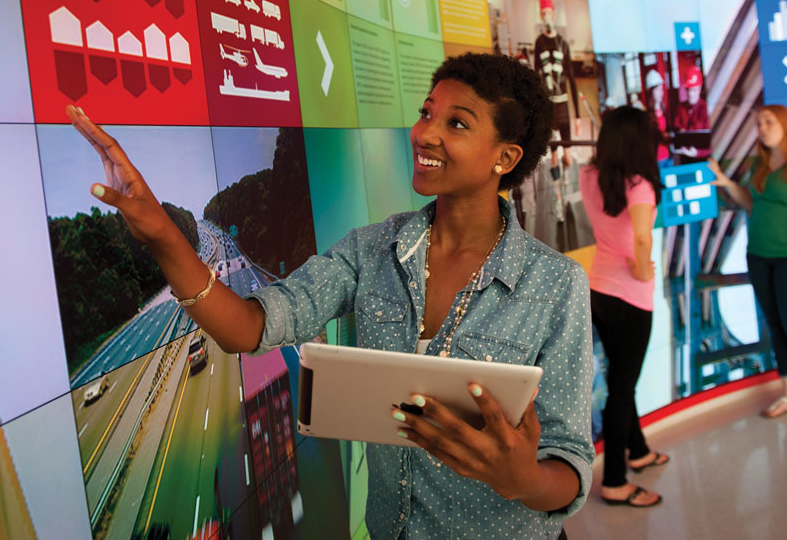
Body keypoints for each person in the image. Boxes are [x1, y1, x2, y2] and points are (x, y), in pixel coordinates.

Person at [66, 52, 595, 539]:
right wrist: (164, 235)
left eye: (456, 123)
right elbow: (248, 327)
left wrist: (522, 478)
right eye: (425, 113)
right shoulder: (372, 250)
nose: (424, 133)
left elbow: (568, 466)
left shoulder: (555, 285)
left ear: (505, 156)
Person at [709, 104, 787, 422]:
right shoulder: (760, 166)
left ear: (785, 124)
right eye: (759, 123)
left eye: (769, 122)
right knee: (777, 328)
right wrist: (726, 183)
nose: (762, 128)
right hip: (759, 258)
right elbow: (752, 204)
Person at [578, 106, 668, 508]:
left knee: (619, 379)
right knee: (622, 387)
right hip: (631, 296)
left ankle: (639, 449)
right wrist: (642, 268)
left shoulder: (589, 175)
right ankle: (614, 480)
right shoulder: (641, 185)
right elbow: (643, 239)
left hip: (599, 289)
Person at [534, 0, 584, 222]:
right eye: (543, 13)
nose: (546, 17)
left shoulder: (563, 43)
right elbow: (535, 76)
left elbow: (572, 78)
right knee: (553, 154)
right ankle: (557, 199)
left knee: (569, 154)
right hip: (548, 107)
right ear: (540, 15)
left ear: (554, 14)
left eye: (548, 12)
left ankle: (571, 192)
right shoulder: (539, 42)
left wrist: (578, 117)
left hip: (563, 105)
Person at [643, 68, 672, 168]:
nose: (661, 92)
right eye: (658, 89)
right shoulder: (646, 115)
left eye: (661, 89)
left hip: (669, 158)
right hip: (657, 161)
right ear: (651, 92)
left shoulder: (664, 110)